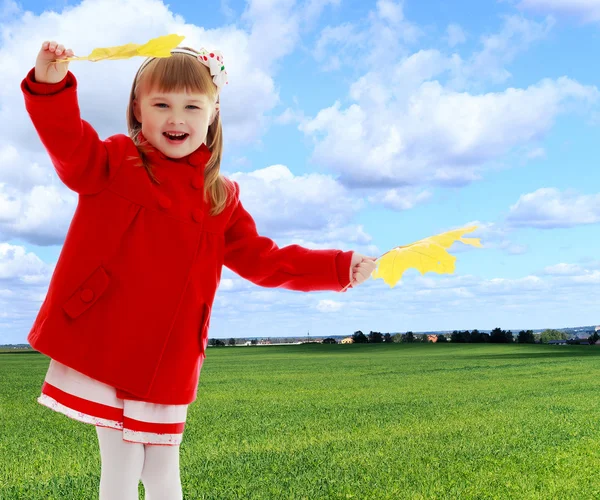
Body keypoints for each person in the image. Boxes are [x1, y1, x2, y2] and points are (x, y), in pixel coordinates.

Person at [21, 39, 378, 499]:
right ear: (137, 108)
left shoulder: (221, 196)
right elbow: (68, 143)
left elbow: (264, 260)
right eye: (161, 104)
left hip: (170, 354)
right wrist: (51, 85)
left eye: (192, 105)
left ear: (213, 113)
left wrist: (337, 267)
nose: (176, 118)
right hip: (107, 337)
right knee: (123, 462)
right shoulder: (112, 162)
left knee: (163, 468)